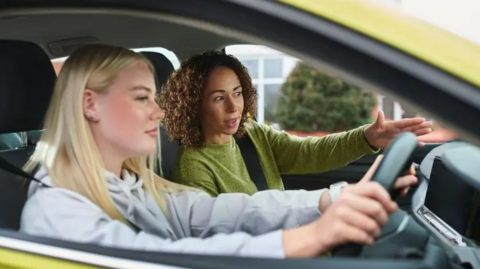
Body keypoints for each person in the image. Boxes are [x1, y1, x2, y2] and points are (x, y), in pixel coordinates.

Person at [20, 44, 417, 258]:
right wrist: (306, 238)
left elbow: (224, 211)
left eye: (238, 94)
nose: (157, 112)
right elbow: (162, 258)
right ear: (90, 105)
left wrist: (334, 200)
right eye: (141, 98)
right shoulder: (57, 210)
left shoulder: (132, 185)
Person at [160, 51, 431, 196]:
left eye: (238, 93)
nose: (234, 107)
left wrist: (367, 138)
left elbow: (309, 152)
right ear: (193, 104)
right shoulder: (193, 166)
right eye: (219, 98)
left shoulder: (251, 133)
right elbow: (219, 238)